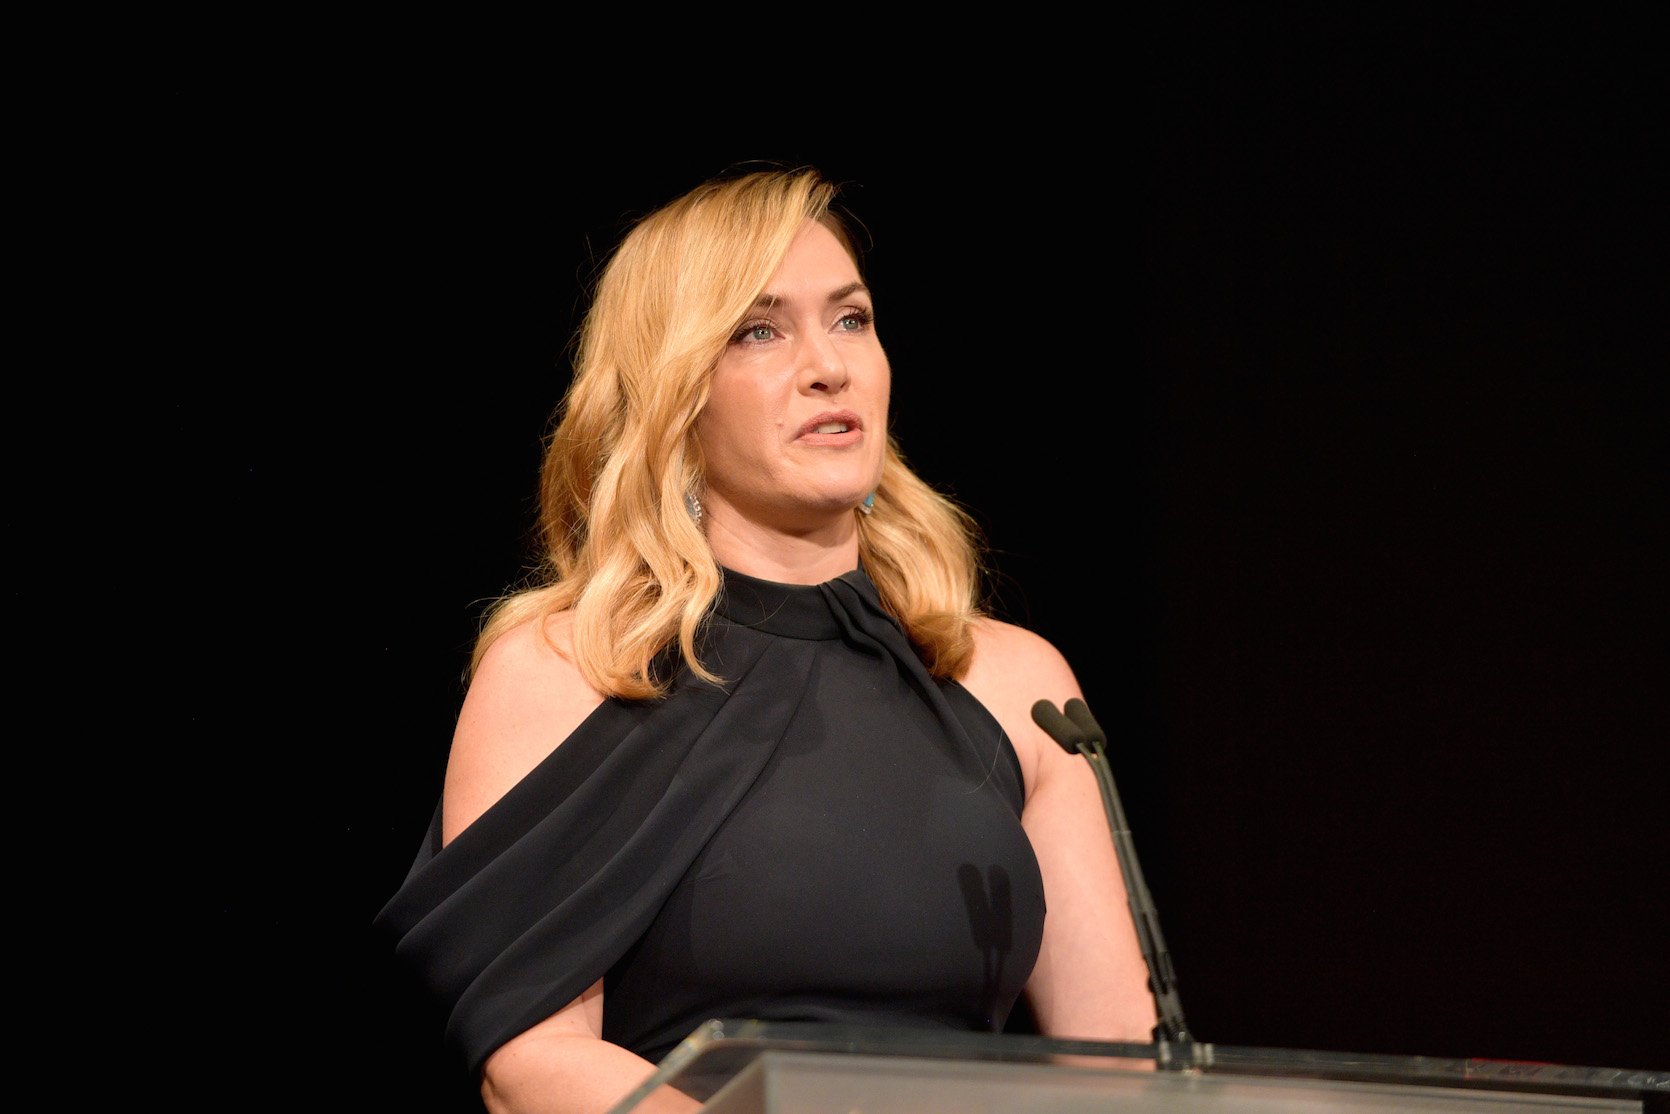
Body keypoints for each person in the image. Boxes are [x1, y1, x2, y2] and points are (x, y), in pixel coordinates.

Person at [374, 164, 1157, 1114]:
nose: (828, 365)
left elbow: (1121, 1060)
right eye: (758, 330)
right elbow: (531, 1056)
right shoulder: (569, 668)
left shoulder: (1013, 683)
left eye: (851, 319)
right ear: (674, 394)